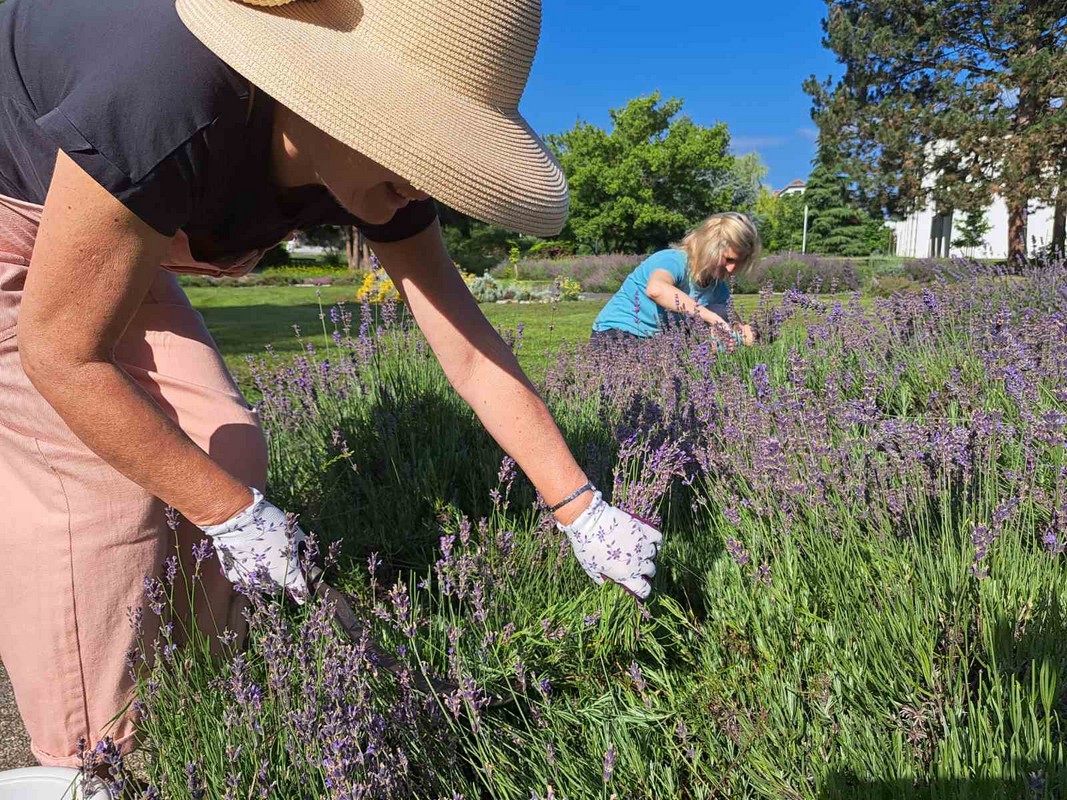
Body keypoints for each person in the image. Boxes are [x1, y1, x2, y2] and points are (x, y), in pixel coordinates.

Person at [0, 0, 662, 769]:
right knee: (99, 492)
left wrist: (580, 509)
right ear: (334, 90)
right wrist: (232, 518)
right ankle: (89, 760)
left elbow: (471, 350)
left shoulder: (376, 174)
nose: (428, 183)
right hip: (17, 218)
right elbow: (62, 354)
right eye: (421, 146)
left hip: (108, 227)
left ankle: (199, 702)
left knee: (232, 450)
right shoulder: (171, 97)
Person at [590, 212, 762, 347]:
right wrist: (712, 319)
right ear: (711, 248)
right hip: (616, 335)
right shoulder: (673, 260)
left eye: (738, 262)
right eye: (728, 259)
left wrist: (746, 334)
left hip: (660, 344)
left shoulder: (718, 286)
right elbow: (656, 289)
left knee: (722, 312)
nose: (731, 269)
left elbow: (733, 324)